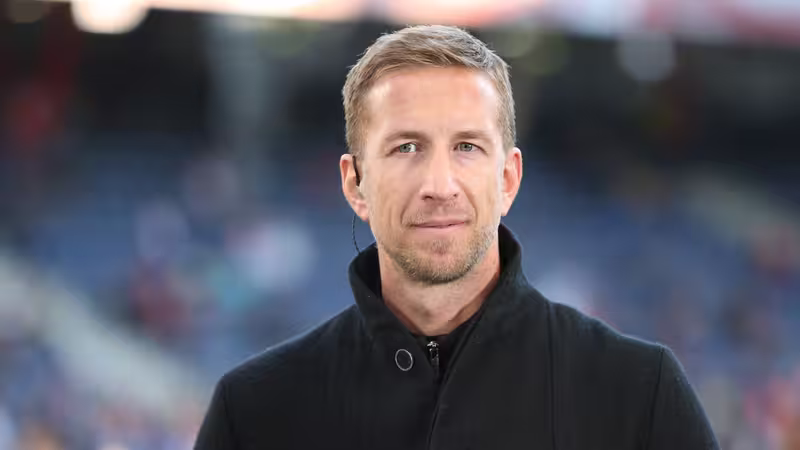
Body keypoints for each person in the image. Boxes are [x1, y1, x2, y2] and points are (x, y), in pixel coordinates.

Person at [194, 25, 719, 450]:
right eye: (406, 148)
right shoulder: (255, 411)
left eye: (467, 147)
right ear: (355, 184)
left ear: (508, 179)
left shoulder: (639, 396)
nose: (439, 185)